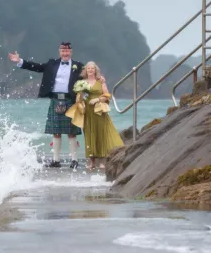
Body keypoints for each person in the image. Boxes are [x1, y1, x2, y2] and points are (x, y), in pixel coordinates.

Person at [8, 41, 84, 169]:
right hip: (55, 99)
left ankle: (74, 160)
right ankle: (56, 160)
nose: (65, 53)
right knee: (56, 132)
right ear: (59, 52)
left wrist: (99, 79)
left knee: (72, 132)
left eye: (67, 51)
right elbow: (37, 67)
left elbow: (89, 75)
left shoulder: (79, 66)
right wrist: (19, 61)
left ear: (71, 52)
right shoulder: (52, 64)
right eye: (63, 51)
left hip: (71, 100)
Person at [78, 61, 124, 170]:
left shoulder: (101, 81)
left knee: (101, 134)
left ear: (95, 70)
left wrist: (97, 99)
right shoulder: (82, 83)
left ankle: (102, 161)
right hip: (88, 112)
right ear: (86, 70)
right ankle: (92, 162)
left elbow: (107, 95)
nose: (90, 70)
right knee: (89, 135)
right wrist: (80, 100)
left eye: (92, 68)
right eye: (88, 68)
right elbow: (79, 97)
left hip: (99, 111)